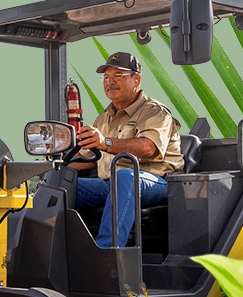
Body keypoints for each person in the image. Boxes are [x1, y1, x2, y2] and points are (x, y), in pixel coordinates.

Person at [73, 52, 184, 248]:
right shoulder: (103, 118)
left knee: (126, 177)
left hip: (157, 182)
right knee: (59, 185)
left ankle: (107, 253)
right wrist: (54, 169)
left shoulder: (155, 112)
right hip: (110, 184)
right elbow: (88, 156)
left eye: (118, 75)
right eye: (106, 77)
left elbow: (149, 147)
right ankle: (56, 251)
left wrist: (105, 142)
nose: (110, 82)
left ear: (136, 79)